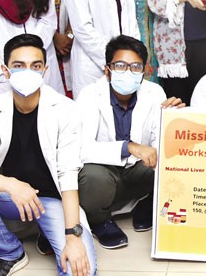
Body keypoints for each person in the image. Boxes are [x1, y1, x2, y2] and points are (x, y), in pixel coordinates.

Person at [0, 34, 97, 276]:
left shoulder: (65, 109)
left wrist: (73, 236)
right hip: (11, 197)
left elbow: (69, 177)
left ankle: (47, 231)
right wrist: (11, 185)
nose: (28, 72)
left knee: (79, 275)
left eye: (35, 66)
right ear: (5, 71)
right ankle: (10, 253)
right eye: (18, 66)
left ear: (45, 70)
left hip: (52, 200)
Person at [77, 35, 184, 249]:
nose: (128, 72)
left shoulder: (154, 93)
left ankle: (147, 204)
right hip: (105, 173)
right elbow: (80, 148)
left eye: (135, 67)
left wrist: (173, 121)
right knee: (92, 177)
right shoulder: (90, 95)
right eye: (120, 66)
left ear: (144, 71)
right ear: (107, 71)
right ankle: (100, 220)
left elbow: (158, 145)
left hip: (137, 171)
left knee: (171, 164)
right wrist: (128, 147)